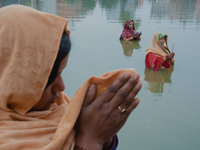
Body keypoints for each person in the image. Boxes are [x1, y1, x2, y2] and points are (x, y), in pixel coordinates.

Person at [0, 5, 142, 150]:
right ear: (12, 76)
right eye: (48, 77)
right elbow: (90, 138)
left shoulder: (57, 105)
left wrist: (102, 127)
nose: (61, 87)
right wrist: (91, 139)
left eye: (61, 73)